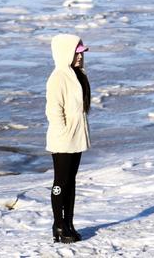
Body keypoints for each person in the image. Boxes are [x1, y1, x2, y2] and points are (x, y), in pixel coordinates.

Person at [45, 33, 91, 244]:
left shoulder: (77, 74)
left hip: (76, 137)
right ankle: (58, 225)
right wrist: (63, 131)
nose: (80, 57)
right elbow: (54, 109)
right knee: (60, 182)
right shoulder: (58, 77)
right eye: (76, 53)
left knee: (71, 182)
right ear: (66, 53)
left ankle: (69, 223)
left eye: (81, 53)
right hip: (63, 138)